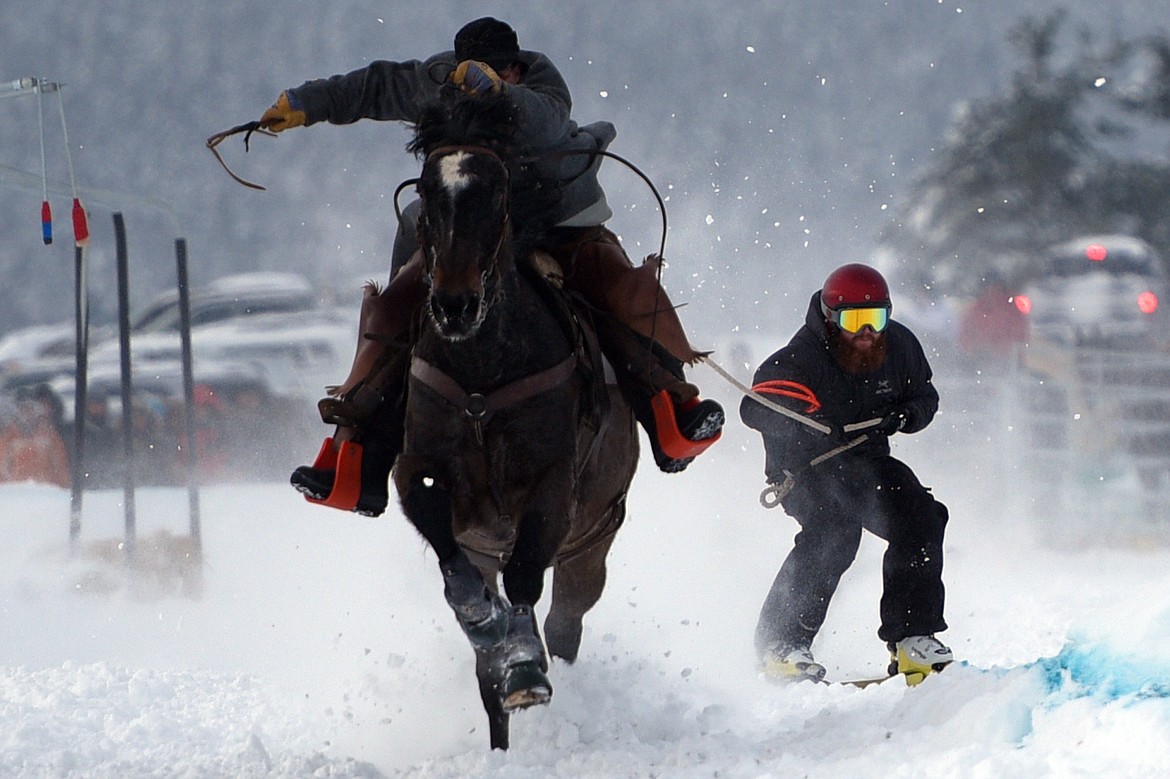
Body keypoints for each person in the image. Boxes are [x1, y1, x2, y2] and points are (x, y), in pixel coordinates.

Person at [257, 17, 724, 516]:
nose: (493, 81)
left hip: (559, 221)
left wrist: (497, 89)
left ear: (517, 67)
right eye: (477, 74)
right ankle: (357, 464)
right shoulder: (444, 84)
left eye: (504, 72)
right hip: (470, 232)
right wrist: (306, 104)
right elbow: (376, 87)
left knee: (626, 294)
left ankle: (672, 416)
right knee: (391, 314)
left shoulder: (544, 88)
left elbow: (543, 117)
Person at [739, 263, 952, 684]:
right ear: (830, 319)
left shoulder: (900, 348)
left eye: (876, 320)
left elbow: (924, 395)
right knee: (834, 531)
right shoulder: (801, 358)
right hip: (804, 469)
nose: (866, 333)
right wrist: (805, 421)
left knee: (922, 518)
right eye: (854, 321)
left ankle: (912, 637)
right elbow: (755, 408)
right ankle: (779, 643)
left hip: (866, 462)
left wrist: (909, 415)